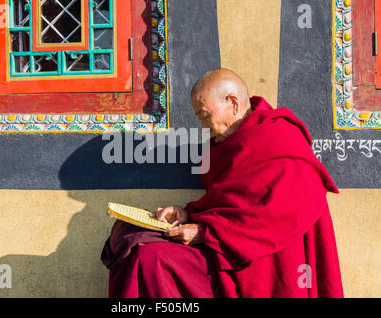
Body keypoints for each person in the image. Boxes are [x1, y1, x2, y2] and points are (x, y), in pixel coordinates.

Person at [101, 68, 344, 298]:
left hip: (266, 262)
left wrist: (206, 232)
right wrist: (189, 214)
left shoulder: (280, 139)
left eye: (205, 116)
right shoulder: (225, 145)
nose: (203, 127)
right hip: (226, 246)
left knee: (153, 260)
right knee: (136, 246)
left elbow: (275, 216)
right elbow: (230, 202)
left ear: (233, 103)